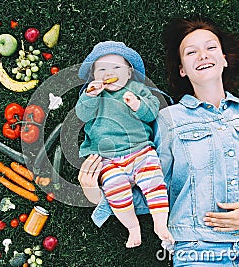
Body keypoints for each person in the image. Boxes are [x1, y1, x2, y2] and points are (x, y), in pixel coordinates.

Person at [78, 18, 239, 266]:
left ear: (223, 58)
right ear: (182, 69)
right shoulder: (168, 119)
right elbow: (154, 185)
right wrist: (95, 194)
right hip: (195, 248)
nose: (202, 55)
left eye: (211, 48)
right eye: (191, 52)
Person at [75, 41, 174, 248]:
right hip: (108, 159)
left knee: (154, 182)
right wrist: (90, 95)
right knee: (115, 190)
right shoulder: (93, 94)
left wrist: (138, 104)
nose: (108, 72)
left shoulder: (138, 89)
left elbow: (151, 112)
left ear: (129, 73)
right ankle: (132, 227)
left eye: (116, 67)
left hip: (140, 151)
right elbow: (82, 115)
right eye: (101, 69)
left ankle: (160, 223)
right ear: (93, 76)